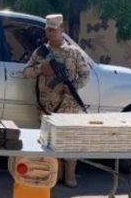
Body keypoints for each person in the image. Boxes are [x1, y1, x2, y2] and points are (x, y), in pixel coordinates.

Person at [21, 14, 90, 188]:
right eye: (48, 30)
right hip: (46, 106)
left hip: (68, 106)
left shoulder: (74, 53)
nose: (50, 33)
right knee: (48, 141)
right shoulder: (40, 52)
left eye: (54, 30)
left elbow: (86, 75)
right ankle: (53, 173)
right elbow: (26, 72)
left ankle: (69, 174)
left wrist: (72, 86)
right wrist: (40, 69)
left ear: (62, 30)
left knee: (69, 140)